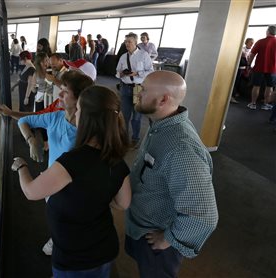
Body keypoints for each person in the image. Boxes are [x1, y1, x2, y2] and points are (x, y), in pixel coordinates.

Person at [11, 85, 131, 277]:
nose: (75, 115)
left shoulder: (71, 162)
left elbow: (31, 192)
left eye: (79, 110)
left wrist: (21, 167)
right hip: (104, 249)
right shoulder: (117, 159)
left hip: (74, 256)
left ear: (87, 118)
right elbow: (123, 203)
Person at [125, 70, 219, 278]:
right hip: (142, 227)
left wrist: (169, 239)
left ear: (163, 100)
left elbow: (204, 215)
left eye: (144, 90)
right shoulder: (161, 124)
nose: (138, 93)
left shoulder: (181, 149)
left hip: (156, 243)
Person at [116, 32, 153, 146]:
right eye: (126, 42)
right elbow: (117, 72)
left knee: (136, 116)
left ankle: (135, 139)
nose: (127, 44)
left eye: (129, 42)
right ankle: (124, 138)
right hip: (125, 88)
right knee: (124, 115)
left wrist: (137, 73)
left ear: (136, 43)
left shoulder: (144, 55)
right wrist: (121, 74)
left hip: (138, 89)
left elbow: (150, 71)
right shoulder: (123, 56)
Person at [247, 25, 276, 110]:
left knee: (256, 86)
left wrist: (249, 65)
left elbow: (252, 55)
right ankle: (265, 104)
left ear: (267, 31)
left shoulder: (260, 41)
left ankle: (253, 104)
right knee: (269, 87)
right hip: (272, 69)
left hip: (259, 67)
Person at [232, 38, 254, 103]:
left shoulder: (252, 50)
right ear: (246, 43)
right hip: (239, 68)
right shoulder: (242, 49)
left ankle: (237, 93)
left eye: (253, 42)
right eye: (250, 42)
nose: (252, 44)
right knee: (236, 81)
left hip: (245, 68)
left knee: (243, 81)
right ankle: (233, 95)